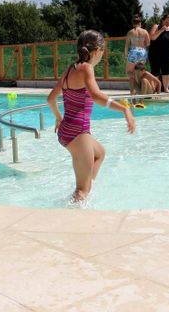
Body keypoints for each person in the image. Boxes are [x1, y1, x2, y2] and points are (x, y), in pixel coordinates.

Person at [47, 30, 135, 203]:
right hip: (78, 133)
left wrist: (58, 118)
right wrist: (124, 109)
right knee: (81, 191)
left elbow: (50, 99)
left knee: (99, 153)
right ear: (96, 51)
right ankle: (76, 206)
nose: (102, 55)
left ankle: (88, 188)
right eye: (103, 51)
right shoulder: (87, 68)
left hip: (65, 131)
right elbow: (96, 96)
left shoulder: (70, 69)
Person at [148, 13, 169, 93]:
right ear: (162, 20)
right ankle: (155, 89)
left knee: (167, 71)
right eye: (166, 21)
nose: (168, 23)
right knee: (155, 71)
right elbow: (152, 37)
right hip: (155, 54)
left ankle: (166, 88)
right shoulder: (156, 26)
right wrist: (161, 30)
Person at [124, 15, 150, 93]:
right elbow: (148, 44)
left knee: (130, 73)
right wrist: (147, 56)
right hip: (142, 52)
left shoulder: (130, 32)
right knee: (140, 73)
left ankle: (133, 92)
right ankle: (141, 91)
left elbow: (127, 45)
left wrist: (126, 55)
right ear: (140, 23)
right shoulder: (145, 32)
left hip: (133, 52)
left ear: (133, 24)